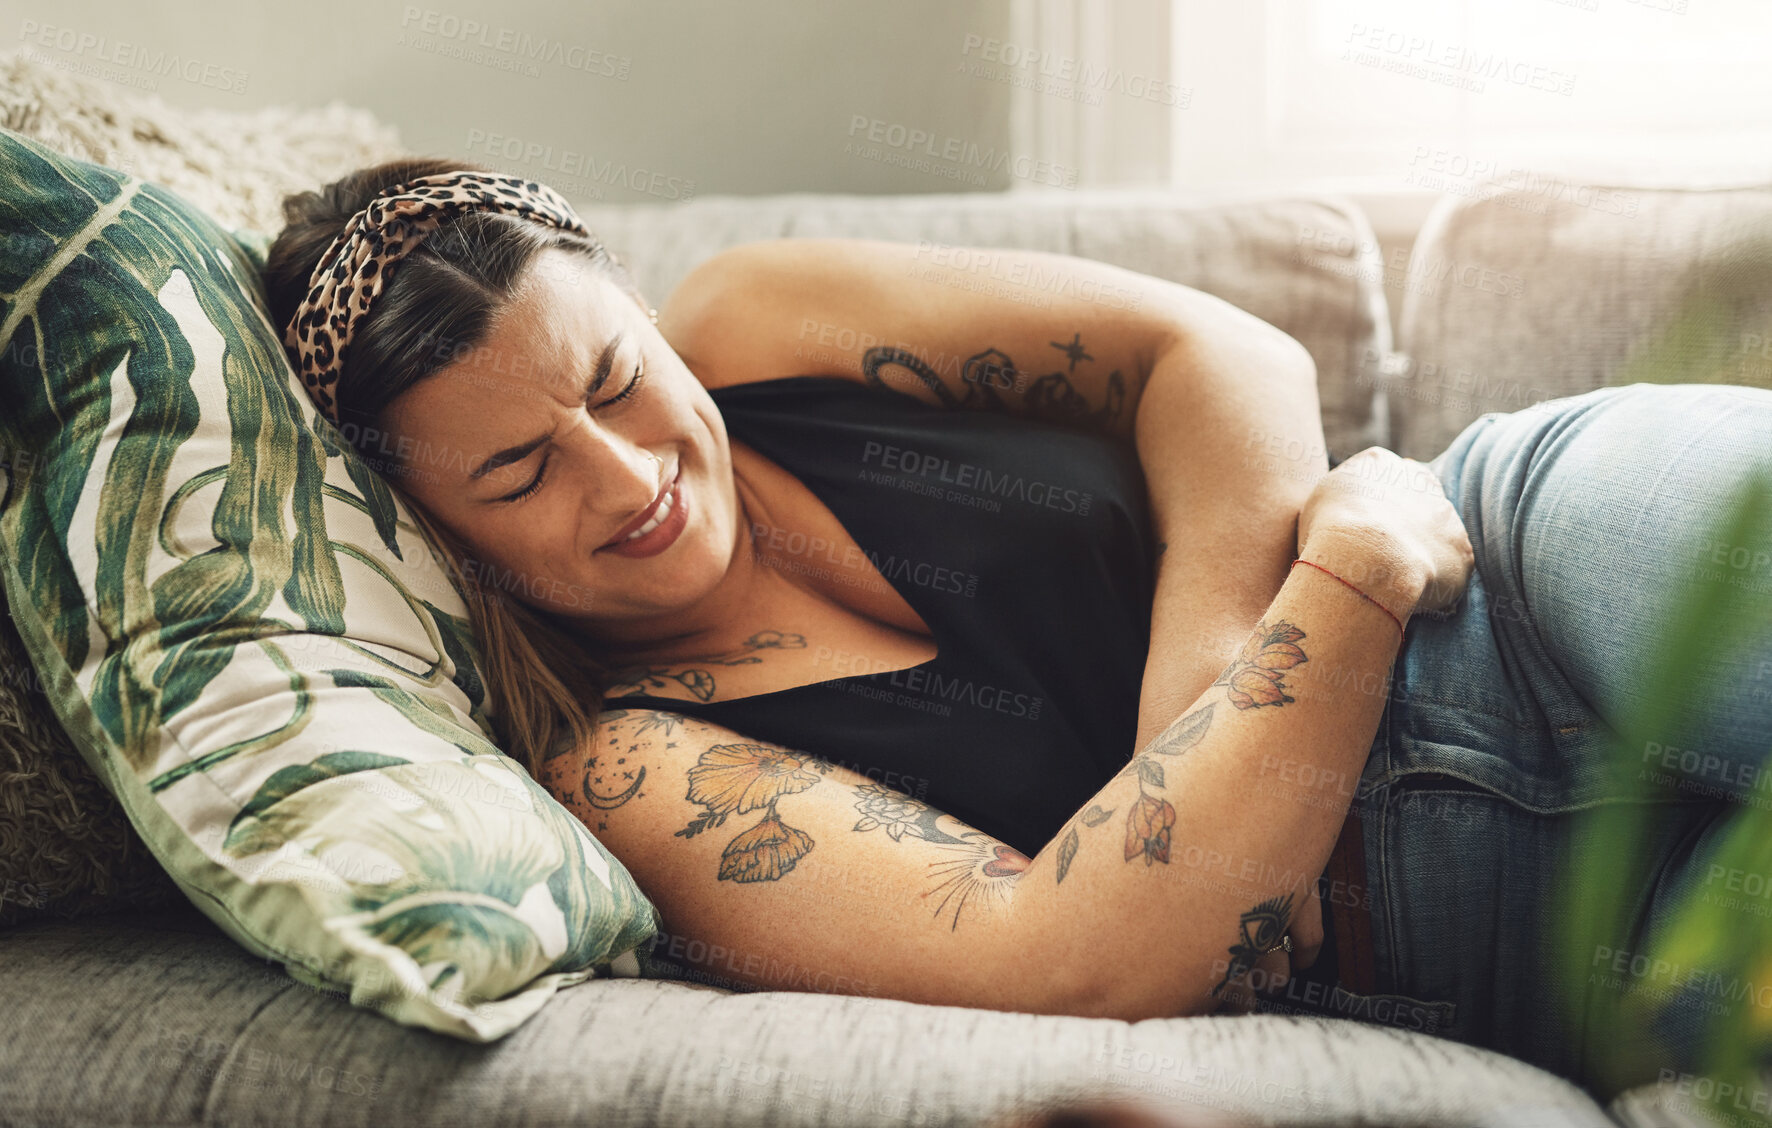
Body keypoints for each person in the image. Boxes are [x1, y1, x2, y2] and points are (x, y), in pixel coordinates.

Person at [264, 158, 1772, 1102]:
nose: (631, 473)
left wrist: (1212, 689)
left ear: (643, 314)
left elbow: (1212, 353)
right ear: (437, 537)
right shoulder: (632, 774)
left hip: (1514, 563)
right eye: (520, 473)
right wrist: (1349, 581)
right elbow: (1071, 959)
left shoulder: (753, 315)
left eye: (613, 380)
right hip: (1480, 915)